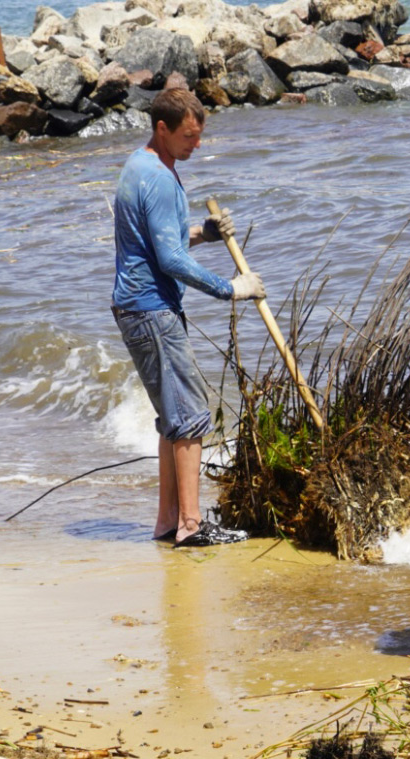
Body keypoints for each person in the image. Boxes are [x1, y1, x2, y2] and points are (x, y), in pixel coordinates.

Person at [111, 87, 265, 546]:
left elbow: (159, 240)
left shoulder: (140, 165)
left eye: (199, 136)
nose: (197, 145)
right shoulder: (158, 178)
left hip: (137, 308)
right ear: (162, 128)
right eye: (188, 137)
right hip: (152, 310)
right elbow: (171, 260)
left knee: (173, 419)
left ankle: (168, 523)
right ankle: (192, 527)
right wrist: (231, 289)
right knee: (193, 416)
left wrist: (203, 232)